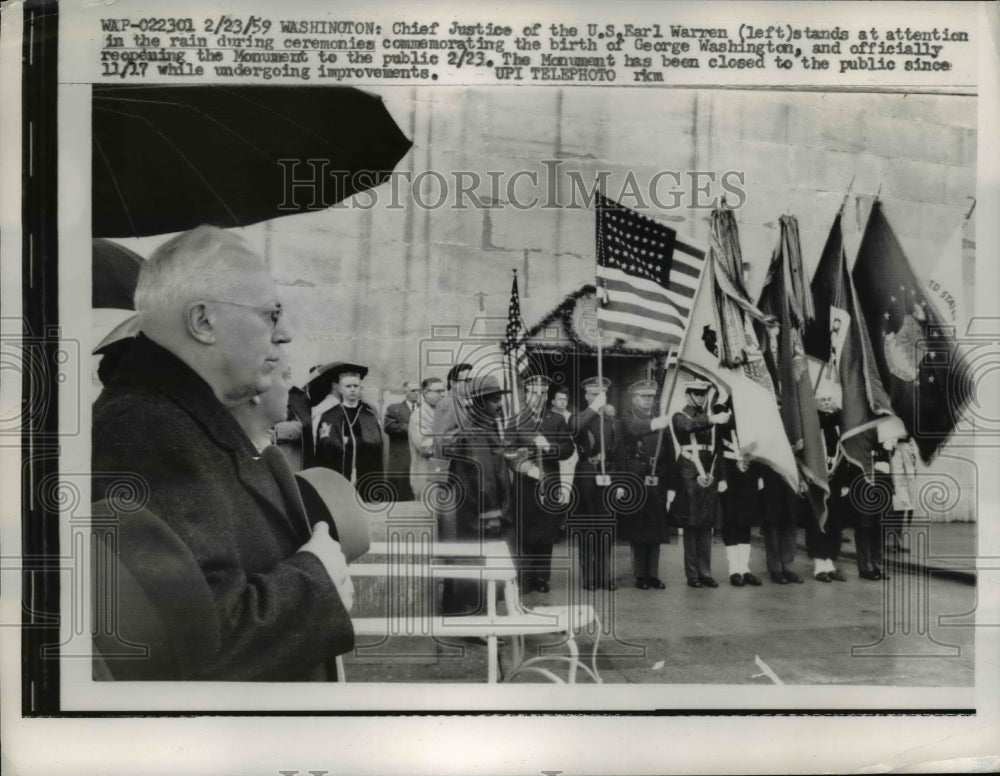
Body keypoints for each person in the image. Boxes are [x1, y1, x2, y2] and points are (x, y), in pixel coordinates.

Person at [92, 225, 354, 681]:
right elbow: (207, 644)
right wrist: (319, 578)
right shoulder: (149, 429)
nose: (285, 333)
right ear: (203, 322)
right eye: (272, 314)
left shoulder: (179, 418)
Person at [440, 374, 511, 614]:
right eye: (493, 400)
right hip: (478, 511)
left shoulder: (479, 427)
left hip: (471, 510)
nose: (499, 404)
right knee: (478, 563)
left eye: (499, 399)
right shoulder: (475, 432)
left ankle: (467, 611)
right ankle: (475, 618)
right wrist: (492, 513)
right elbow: (484, 478)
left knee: (471, 560)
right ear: (480, 403)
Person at [505, 376, 575, 594]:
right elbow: (507, 453)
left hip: (549, 482)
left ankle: (542, 578)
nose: (540, 397)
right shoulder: (516, 420)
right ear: (526, 393)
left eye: (544, 393)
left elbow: (567, 450)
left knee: (546, 533)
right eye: (535, 393)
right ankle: (524, 578)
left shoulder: (556, 420)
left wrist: (549, 448)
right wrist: (527, 467)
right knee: (524, 532)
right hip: (526, 485)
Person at [670, 380, 729, 588]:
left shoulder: (710, 418)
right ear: (687, 396)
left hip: (709, 471)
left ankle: (706, 572)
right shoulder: (680, 416)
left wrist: (722, 478)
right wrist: (713, 418)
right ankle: (692, 574)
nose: (701, 397)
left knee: (707, 525)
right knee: (691, 524)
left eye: (703, 394)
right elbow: (688, 427)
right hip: (689, 471)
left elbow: (717, 450)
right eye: (696, 394)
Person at [618, 379, 675, 590]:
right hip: (637, 478)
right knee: (639, 529)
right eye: (644, 396)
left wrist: (670, 487)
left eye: (651, 396)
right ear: (634, 398)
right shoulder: (627, 418)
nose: (648, 401)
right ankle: (640, 575)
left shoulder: (660, 420)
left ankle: (653, 574)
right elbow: (633, 429)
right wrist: (655, 424)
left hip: (657, 479)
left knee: (656, 529)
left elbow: (669, 455)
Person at [570, 376, 619, 591]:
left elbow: (617, 453)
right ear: (586, 395)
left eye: (601, 394)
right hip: (586, 473)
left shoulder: (610, 421)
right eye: (593, 393)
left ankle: (605, 575)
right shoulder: (579, 417)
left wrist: (618, 482)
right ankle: (589, 577)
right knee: (587, 526)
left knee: (606, 527)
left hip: (607, 473)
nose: (597, 397)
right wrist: (593, 407)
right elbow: (575, 429)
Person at [315, 363, 385, 502]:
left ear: (361, 388)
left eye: (355, 386)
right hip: (341, 470)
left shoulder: (369, 414)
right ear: (340, 389)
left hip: (366, 468)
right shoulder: (330, 415)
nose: (352, 390)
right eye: (348, 386)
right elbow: (325, 444)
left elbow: (377, 442)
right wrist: (347, 442)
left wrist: (351, 441)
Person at [717, 398, 764, 587]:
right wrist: (721, 477)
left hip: (748, 477)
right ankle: (734, 570)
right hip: (729, 477)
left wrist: (759, 475)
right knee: (730, 521)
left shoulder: (752, 425)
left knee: (745, 521)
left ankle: (745, 568)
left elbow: (759, 452)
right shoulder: (723, 422)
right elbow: (717, 451)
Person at [806, 391, 849, 582]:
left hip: (836, 477)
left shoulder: (836, 424)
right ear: (814, 403)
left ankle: (830, 561)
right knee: (818, 521)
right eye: (821, 400)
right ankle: (818, 565)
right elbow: (825, 423)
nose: (825, 403)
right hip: (817, 477)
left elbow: (845, 452)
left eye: (828, 399)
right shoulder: (813, 423)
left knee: (834, 522)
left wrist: (845, 481)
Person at [408, 377, 448, 501]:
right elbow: (426, 446)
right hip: (425, 476)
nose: (442, 395)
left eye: (443, 391)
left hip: (440, 475)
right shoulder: (419, 415)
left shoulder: (442, 412)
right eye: (438, 391)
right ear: (425, 393)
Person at [383, 381, 419, 501]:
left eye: (419, 390)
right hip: (401, 458)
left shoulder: (424, 410)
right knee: (401, 494)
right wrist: (412, 428)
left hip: (419, 458)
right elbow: (389, 427)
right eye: (413, 390)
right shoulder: (394, 409)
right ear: (405, 392)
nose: (417, 393)